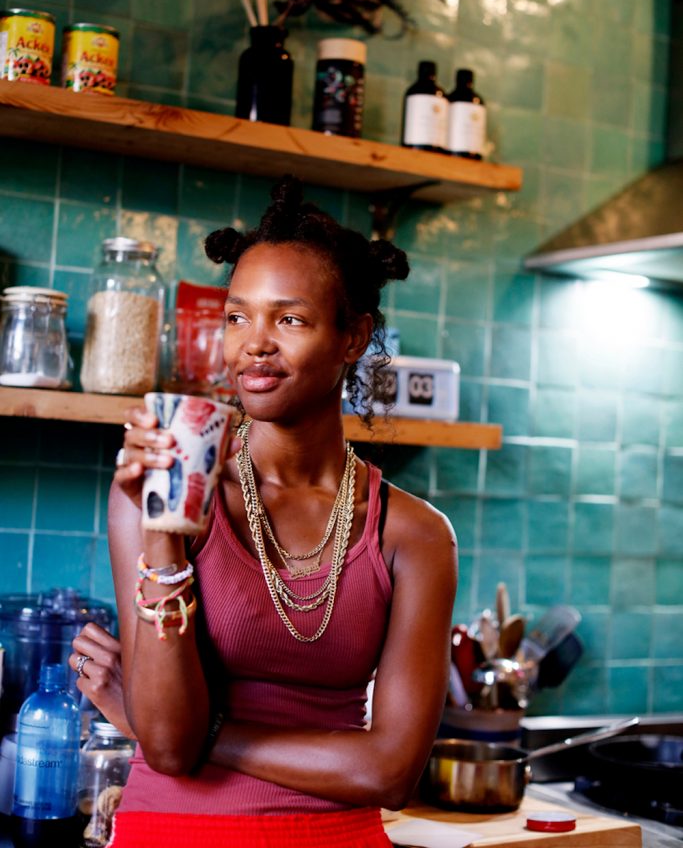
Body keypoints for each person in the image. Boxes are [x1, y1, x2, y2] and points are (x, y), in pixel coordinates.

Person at [73, 176, 458, 848]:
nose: (254, 343)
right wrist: (166, 528)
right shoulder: (154, 487)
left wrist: (205, 730)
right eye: (236, 316)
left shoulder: (412, 534)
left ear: (353, 337)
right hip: (173, 831)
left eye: (289, 319)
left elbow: (391, 772)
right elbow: (165, 747)